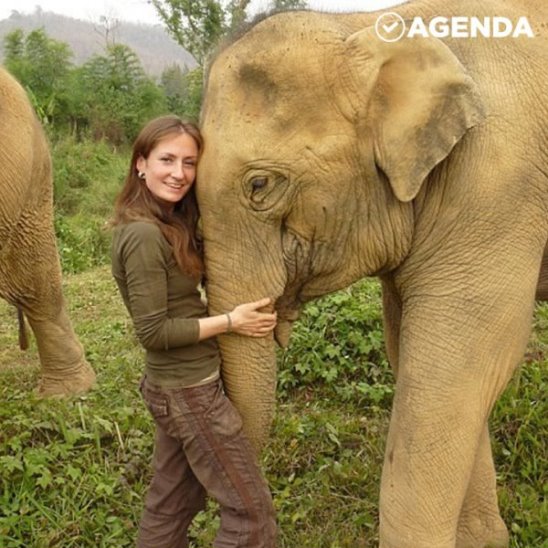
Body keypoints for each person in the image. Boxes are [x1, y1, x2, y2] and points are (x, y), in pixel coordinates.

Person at [110, 115, 277, 548]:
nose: (179, 173)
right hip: (190, 395)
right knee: (251, 515)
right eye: (167, 159)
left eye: (189, 162)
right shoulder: (144, 235)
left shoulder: (166, 223)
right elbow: (153, 330)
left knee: (170, 507)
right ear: (140, 164)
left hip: (174, 389)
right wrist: (231, 321)